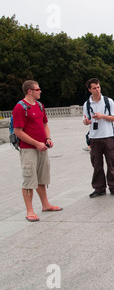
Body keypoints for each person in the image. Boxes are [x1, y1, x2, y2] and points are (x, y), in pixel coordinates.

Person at [12, 80, 62, 222]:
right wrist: (36, 143)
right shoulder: (20, 108)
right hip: (28, 149)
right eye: (38, 89)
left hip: (42, 147)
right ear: (30, 91)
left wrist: (48, 138)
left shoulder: (40, 106)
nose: (40, 91)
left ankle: (45, 205)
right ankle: (30, 211)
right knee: (29, 179)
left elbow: (45, 123)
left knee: (42, 178)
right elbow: (18, 131)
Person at [83, 78, 114, 198]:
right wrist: (86, 121)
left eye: (98, 87)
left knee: (111, 163)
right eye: (94, 88)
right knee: (97, 164)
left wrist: (102, 116)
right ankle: (99, 188)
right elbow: (85, 120)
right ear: (89, 90)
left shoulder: (108, 101)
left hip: (108, 136)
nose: (97, 90)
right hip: (94, 137)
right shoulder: (87, 104)